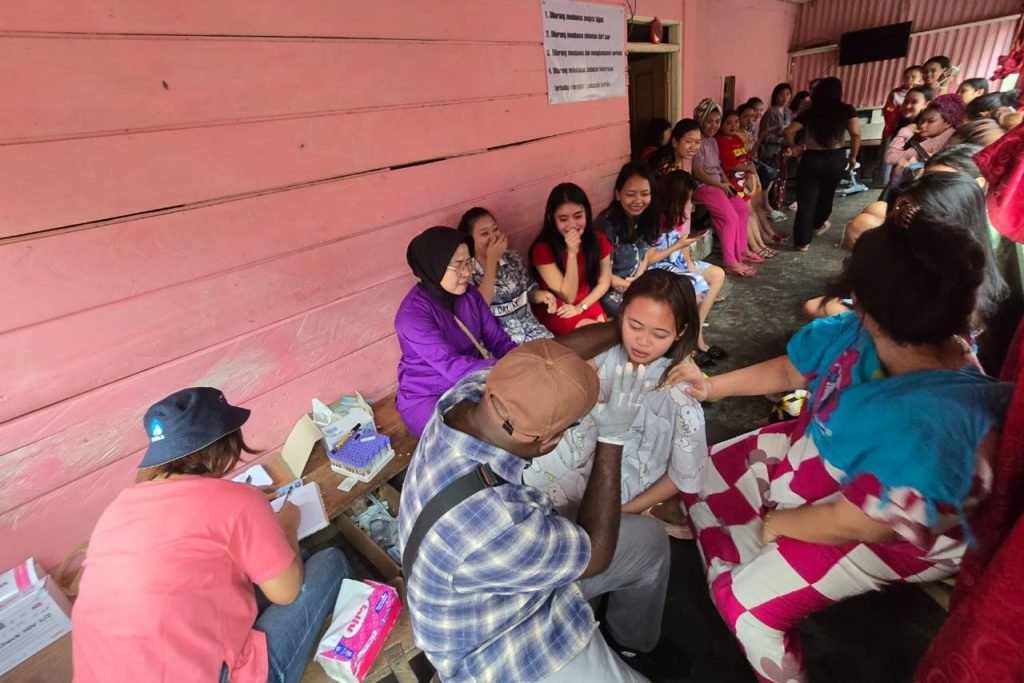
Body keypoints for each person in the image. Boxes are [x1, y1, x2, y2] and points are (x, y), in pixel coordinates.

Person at [678, 188, 1012, 682]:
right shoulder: (863, 333)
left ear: (868, 302)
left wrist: (775, 526)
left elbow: (862, 523)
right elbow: (791, 370)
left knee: (746, 606)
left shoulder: (935, 426)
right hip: (833, 458)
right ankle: (759, 561)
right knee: (704, 471)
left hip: (894, 531)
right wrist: (709, 387)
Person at [399, 337, 680, 682]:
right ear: (548, 441)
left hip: (498, 580)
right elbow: (597, 553)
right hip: (499, 643)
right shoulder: (500, 523)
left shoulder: (468, 396)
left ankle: (633, 643)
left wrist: (619, 326)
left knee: (648, 541)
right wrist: (613, 437)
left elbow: (540, 365)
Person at [72, 387, 351, 683]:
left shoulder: (120, 508)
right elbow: (287, 594)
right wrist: (286, 524)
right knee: (328, 563)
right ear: (225, 445)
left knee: (260, 571)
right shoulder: (238, 502)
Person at [524, 271, 708, 525]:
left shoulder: (680, 396)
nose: (643, 341)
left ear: (680, 332)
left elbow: (681, 476)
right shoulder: (607, 352)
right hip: (568, 454)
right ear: (621, 316)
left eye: (659, 334)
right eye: (635, 325)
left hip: (615, 487)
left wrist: (623, 513)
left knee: (532, 518)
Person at [396, 226, 517, 436]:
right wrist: (506, 368)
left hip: (473, 379)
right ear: (434, 266)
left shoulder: (470, 296)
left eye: (468, 262)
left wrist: (523, 359)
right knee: (468, 438)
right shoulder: (412, 316)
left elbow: (498, 340)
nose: (467, 272)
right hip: (429, 394)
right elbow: (451, 366)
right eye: (457, 265)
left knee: (517, 418)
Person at [650, 170, 727, 365]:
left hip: (677, 259)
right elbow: (650, 259)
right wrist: (678, 248)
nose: (689, 204)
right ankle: (686, 344)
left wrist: (691, 265)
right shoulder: (654, 220)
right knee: (693, 286)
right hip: (659, 265)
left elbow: (683, 243)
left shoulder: (675, 215)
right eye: (687, 199)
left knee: (717, 274)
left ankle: (697, 329)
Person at [457, 207, 555, 344]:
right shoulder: (467, 272)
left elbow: (529, 292)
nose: (493, 237)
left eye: (495, 229)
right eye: (484, 233)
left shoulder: (512, 258)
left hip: (535, 333)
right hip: (502, 344)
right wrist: (492, 260)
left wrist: (542, 296)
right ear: (470, 240)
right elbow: (479, 307)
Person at [784, 77, 861, 250]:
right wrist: (853, 157)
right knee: (826, 197)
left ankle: (802, 242)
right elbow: (856, 134)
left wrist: (795, 148)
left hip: (812, 158)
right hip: (835, 158)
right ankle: (818, 224)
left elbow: (788, 131)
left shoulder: (810, 112)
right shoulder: (847, 110)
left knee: (806, 201)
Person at [530, 183, 614, 334]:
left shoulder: (598, 239)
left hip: (586, 300)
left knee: (604, 331)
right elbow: (568, 296)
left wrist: (581, 306)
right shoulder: (542, 249)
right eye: (563, 219)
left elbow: (604, 282)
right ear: (551, 219)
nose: (572, 225)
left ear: (586, 214)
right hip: (558, 307)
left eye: (578, 216)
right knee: (592, 336)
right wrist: (572, 253)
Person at [690, 100, 757, 276]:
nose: (714, 125)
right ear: (701, 120)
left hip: (718, 185)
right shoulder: (698, 141)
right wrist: (720, 185)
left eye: (717, 121)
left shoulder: (712, 141)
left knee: (742, 208)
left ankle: (741, 249)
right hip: (704, 186)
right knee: (729, 217)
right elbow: (698, 171)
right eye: (709, 121)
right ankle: (731, 262)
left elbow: (718, 167)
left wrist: (727, 183)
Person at [594, 162, 660, 317]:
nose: (638, 200)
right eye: (630, 194)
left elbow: (644, 257)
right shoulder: (605, 227)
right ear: (618, 194)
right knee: (646, 314)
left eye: (644, 194)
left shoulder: (646, 219)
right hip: (608, 289)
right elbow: (599, 273)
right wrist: (631, 285)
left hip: (635, 283)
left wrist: (638, 278)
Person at [884, 93, 965, 184]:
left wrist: (904, 132)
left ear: (948, 123)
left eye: (930, 121)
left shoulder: (937, 142)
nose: (923, 125)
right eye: (922, 120)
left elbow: (890, 157)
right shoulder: (952, 135)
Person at [880, 67, 926, 185]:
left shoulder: (924, 128)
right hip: (896, 128)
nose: (909, 80)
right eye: (905, 101)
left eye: (913, 77)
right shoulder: (896, 93)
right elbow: (888, 111)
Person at [758, 82, 794, 218]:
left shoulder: (788, 112)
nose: (784, 98)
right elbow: (763, 136)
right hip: (771, 151)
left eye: (788, 94)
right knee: (769, 177)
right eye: (781, 95)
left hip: (782, 151)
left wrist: (789, 145)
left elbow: (791, 131)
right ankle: (766, 206)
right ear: (775, 96)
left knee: (780, 178)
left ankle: (775, 205)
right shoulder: (770, 113)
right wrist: (781, 140)